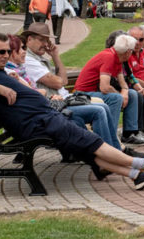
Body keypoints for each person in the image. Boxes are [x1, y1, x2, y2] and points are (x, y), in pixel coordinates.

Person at [0, 32, 144, 189]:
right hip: (39, 124)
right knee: (89, 141)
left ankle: (136, 175)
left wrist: (13, 82)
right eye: (1, 52)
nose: (6, 55)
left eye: (7, 51)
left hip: (44, 118)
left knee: (85, 145)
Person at [22, 23, 127, 152]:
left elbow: (63, 80)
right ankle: (108, 152)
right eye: (41, 40)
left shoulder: (39, 58)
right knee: (100, 109)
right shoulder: (29, 60)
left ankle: (114, 150)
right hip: (55, 106)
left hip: (64, 101)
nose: (45, 43)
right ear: (29, 39)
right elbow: (58, 83)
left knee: (105, 105)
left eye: (47, 40)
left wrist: (55, 56)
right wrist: (57, 80)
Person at [73, 34, 144, 146]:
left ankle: (129, 134)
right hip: (83, 94)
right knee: (115, 98)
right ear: (128, 52)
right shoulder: (109, 57)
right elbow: (105, 88)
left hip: (94, 93)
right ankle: (110, 137)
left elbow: (121, 78)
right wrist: (121, 95)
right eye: (131, 51)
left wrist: (125, 90)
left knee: (132, 94)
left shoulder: (116, 55)